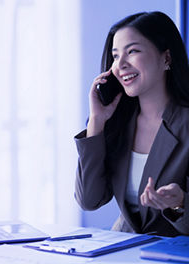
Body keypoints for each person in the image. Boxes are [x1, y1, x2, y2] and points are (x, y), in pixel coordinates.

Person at [74, 11, 189, 237]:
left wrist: (180, 203)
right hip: (126, 249)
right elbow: (89, 200)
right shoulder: (118, 122)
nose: (121, 64)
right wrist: (96, 122)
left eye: (133, 51)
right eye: (115, 56)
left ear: (166, 58)